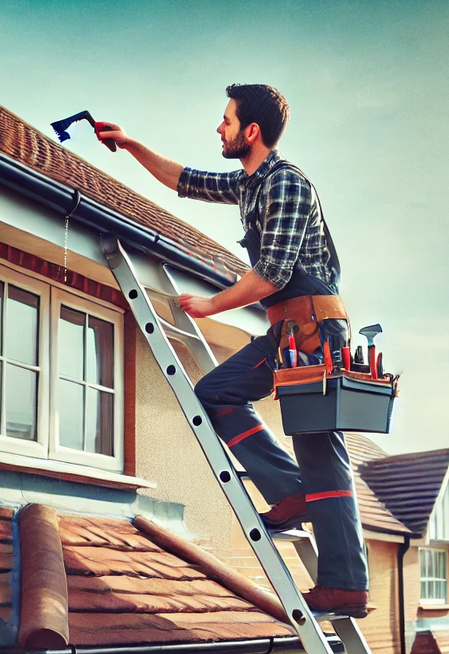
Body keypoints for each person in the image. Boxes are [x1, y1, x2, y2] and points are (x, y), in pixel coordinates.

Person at [96, 84, 368, 617]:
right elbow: (184, 181)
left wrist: (211, 305)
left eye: (225, 121)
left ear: (251, 131)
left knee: (318, 446)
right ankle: (291, 493)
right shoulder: (250, 185)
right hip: (288, 331)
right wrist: (129, 145)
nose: (217, 129)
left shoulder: (286, 183)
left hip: (314, 328)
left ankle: (346, 584)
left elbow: (272, 273)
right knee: (217, 393)